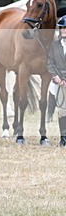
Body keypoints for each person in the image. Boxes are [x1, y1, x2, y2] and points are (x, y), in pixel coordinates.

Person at [46, 15, 66, 146]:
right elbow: (50, 63)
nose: (63, 30)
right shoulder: (54, 45)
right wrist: (56, 77)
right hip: (59, 82)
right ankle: (63, 137)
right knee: (62, 111)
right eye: (62, 27)